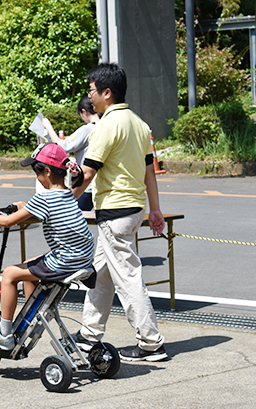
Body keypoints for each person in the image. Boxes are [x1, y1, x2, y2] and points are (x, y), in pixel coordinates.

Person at [71, 63, 168, 362]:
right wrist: (155, 210)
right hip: (133, 208)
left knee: (127, 278)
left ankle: (151, 343)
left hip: (114, 209)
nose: (90, 96)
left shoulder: (106, 126)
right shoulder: (140, 124)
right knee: (102, 274)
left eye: (92, 90)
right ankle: (89, 334)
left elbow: (87, 174)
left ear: (107, 93)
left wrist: (63, 202)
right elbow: (150, 171)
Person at [0, 143, 95, 350]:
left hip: (66, 260)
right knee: (28, 265)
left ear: (47, 171)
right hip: (83, 257)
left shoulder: (44, 198)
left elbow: (9, 221)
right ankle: (32, 316)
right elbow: (45, 210)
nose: (37, 178)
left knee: (10, 274)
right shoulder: (67, 193)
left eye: (37, 173)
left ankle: (4, 333)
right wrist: (25, 206)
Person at [42, 96, 101, 211]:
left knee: (69, 217)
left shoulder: (87, 129)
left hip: (86, 186)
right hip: (101, 185)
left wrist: (48, 127)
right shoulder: (105, 127)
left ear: (84, 112)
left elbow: (63, 146)